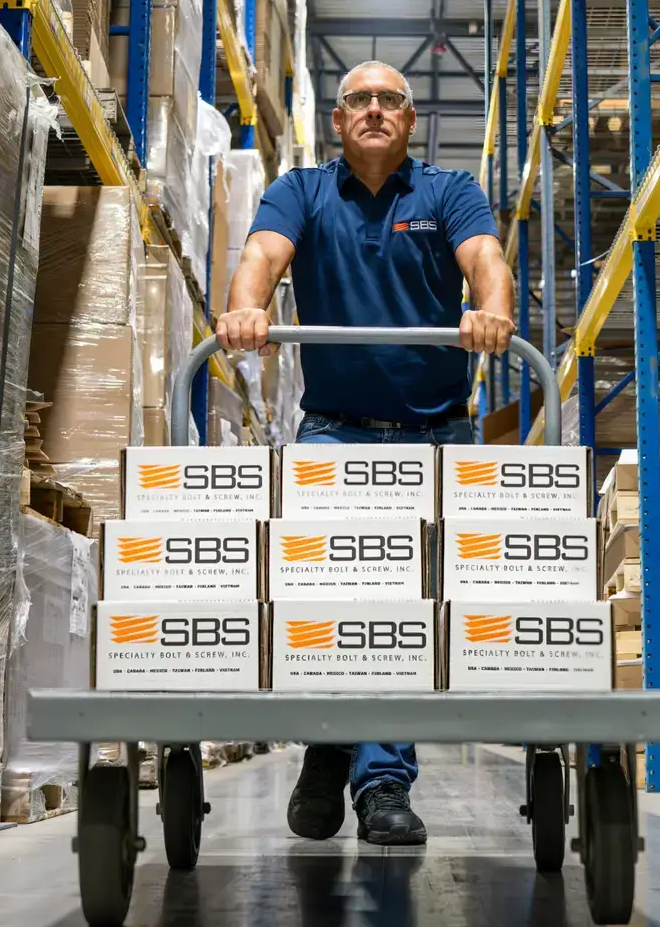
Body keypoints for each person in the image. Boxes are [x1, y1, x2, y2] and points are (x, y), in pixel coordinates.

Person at [216, 60, 516, 846]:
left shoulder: (448, 193)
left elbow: (485, 259)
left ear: (410, 121)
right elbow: (263, 257)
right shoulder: (303, 192)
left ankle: (365, 772)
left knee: (408, 611)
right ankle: (342, 752)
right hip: (338, 430)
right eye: (359, 100)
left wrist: (491, 310)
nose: (375, 110)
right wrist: (247, 309)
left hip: (438, 431)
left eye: (390, 101)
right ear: (338, 120)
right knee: (338, 601)